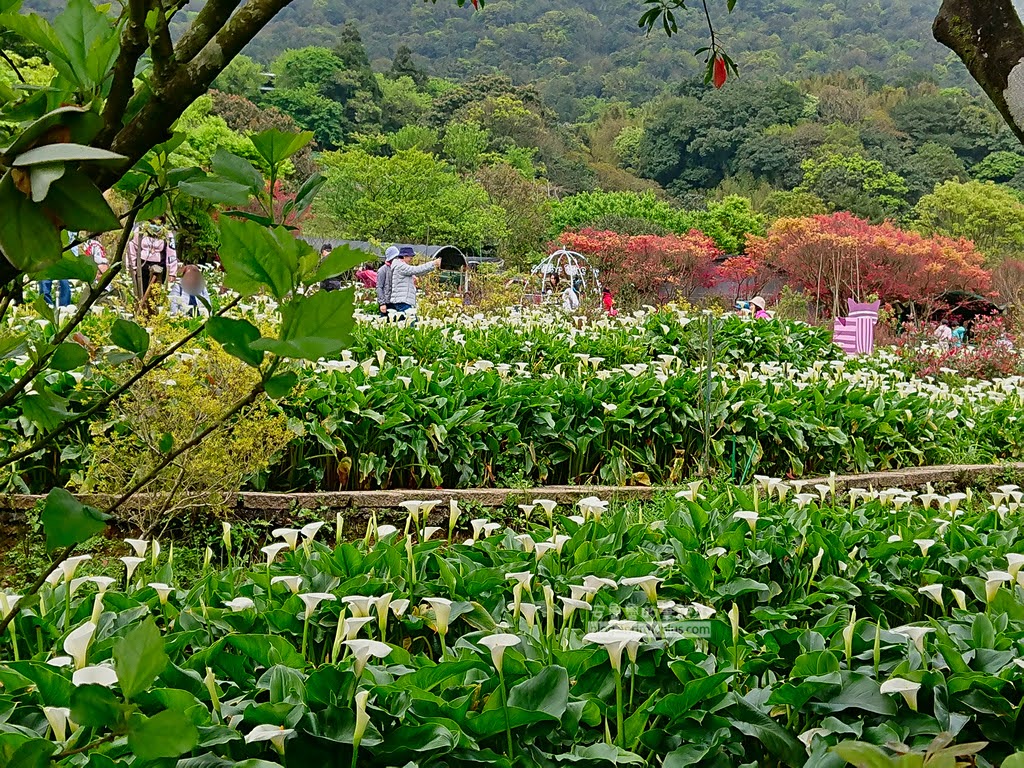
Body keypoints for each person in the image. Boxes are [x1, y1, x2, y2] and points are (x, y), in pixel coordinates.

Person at [127, 218, 177, 294]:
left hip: (159, 267)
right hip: (142, 266)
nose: (155, 225)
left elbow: (172, 253)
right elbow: (132, 249)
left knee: (156, 294)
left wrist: (172, 273)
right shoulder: (140, 231)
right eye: (153, 223)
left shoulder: (167, 234)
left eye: (158, 223)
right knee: (141, 292)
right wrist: (132, 267)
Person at [389, 246, 440, 318]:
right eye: (410, 257)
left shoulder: (400, 266)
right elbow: (416, 269)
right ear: (404, 256)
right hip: (403, 301)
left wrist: (432, 267)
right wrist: (433, 263)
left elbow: (419, 273)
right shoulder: (401, 266)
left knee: (409, 324)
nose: (411, 259)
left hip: (403, 300)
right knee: (411, 324)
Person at [377, 246, 399, 315]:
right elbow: (379, 287)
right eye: (395, 257)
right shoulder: (382, 270)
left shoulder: (398, 268)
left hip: (396, 302)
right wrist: (382, 303)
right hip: (387, 303)